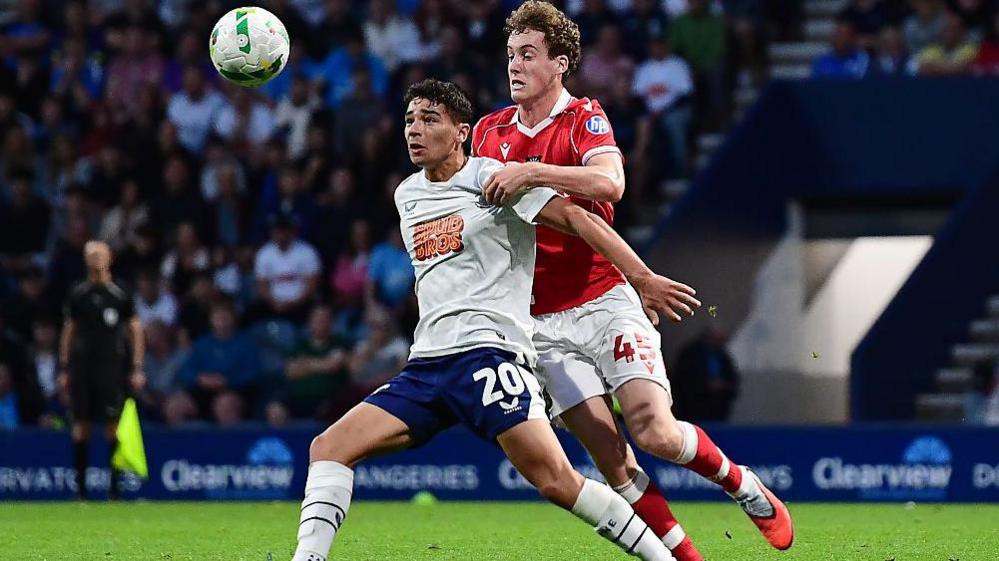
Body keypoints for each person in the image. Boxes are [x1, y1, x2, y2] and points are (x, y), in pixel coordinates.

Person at [291, 78, 692, 561]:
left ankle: (663, 558)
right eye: (409, 121)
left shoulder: (496, 179)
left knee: (557, 481)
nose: (414, 130)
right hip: (427, 366)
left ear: (462, 132)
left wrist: (642, 278)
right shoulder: (406, 195)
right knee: (328, 448)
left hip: (489, 356)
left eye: (429, 120)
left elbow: (580, 220)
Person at [471, 3, 794, 559]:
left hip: (603, 298)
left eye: (528, 55)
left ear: (560, 63)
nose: (515, 66)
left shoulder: (584, 118)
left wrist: (534, 170)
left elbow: (610, 183)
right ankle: (686, 557)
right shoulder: (488, 131)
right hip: (538, 324)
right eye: (510, 56)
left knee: (654, 432)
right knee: (611, 457)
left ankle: (744, 486)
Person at [58, 240, 145, 500]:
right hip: (83, 367)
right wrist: (63, 367)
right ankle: (81, 492)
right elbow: (69, 330)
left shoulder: (120, 293)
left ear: (110, 257)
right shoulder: (78, 293)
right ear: (85, 260)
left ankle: (114, 492)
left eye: (99, 254)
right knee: (81, 426)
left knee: (113, 427)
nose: (95, 259)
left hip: (112, 368)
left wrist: (137, 367)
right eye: (91, 255)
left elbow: (135, 330)